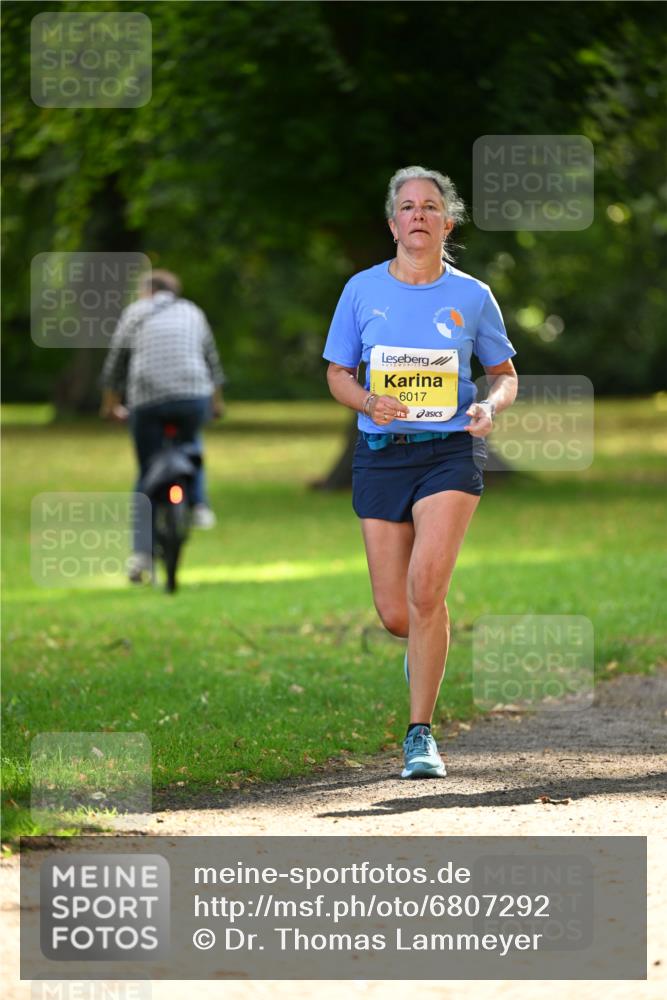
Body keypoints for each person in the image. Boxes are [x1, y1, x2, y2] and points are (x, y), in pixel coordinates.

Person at [323, 166, 518, 779]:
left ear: (446, 222)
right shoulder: (360, 291)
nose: (418, 215)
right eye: (407, 207)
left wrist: (488, 406)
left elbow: (506, 374)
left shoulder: (473, 295)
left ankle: (420, 736)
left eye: (429, 206)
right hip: (382, 453)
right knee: (398, 614)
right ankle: (423, 649)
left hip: (449, 454)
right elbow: (336, 375)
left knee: (427, 591)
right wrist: (367, 402)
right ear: (392, 223)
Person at [100, 268, 225, 581]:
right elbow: (212, 361)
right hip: (192, 395)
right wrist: (216, 403)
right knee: (191, 442)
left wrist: (110, 406)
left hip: (147, 400)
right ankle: (199, 506)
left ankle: (141, 556)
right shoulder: (192, 311)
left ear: (148, 290)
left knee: (147, 471)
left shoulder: (135, 312)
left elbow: (115, 364)